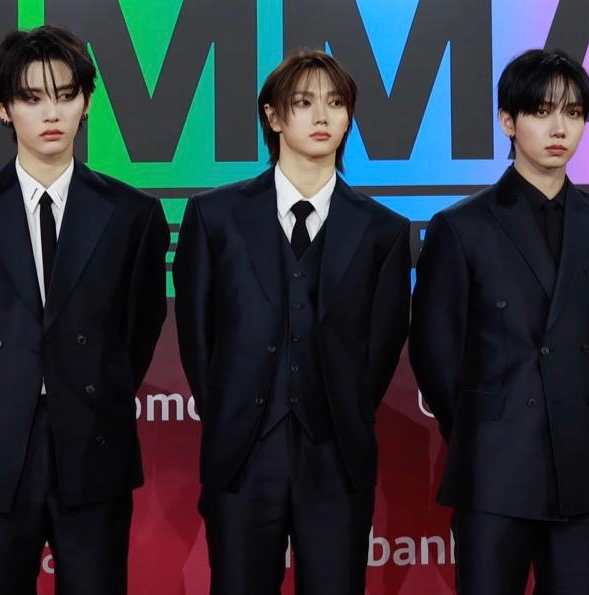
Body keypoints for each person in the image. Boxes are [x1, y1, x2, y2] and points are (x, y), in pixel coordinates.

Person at [0, 25, 168, 595]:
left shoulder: (133, 215)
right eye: (31, 98)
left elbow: (139, 328)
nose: (51, 113)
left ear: (87, 101)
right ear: (3, 108)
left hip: (94, 446)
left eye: (65, 95)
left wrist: (93, 388)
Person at [173, 50, 412, 594]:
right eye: (304, 103)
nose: (322, 116)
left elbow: (381, 348)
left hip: (337, 458)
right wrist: (232, 415)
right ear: (274, 116)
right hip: (241, 458)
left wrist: (342, 413)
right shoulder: (215, 217)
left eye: (336, 103)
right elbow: (198, 339)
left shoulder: (384, 231)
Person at [409, 48, 589, 595]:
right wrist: (482, 427)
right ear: (508, 122)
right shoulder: (461, 226)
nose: (559, 128)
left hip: (583, 465)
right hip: (493, 466)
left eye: (573, 113)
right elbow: (435, 353)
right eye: (541, 111)